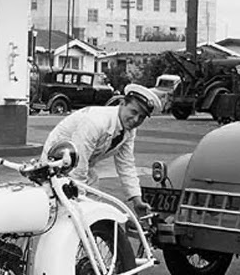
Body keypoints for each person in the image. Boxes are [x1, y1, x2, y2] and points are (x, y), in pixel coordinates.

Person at [41, 83, 162, 217]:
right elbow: (78, 165)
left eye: (142, 117)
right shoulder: (96, 122)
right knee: (64, 213)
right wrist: (79, 200)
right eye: (133, 112)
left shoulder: (129, 130)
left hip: (83, 165)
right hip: (57, 163)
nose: (135, 120)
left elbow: (126, 164)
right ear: (122, 103)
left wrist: (136, 199)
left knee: (94, 207)